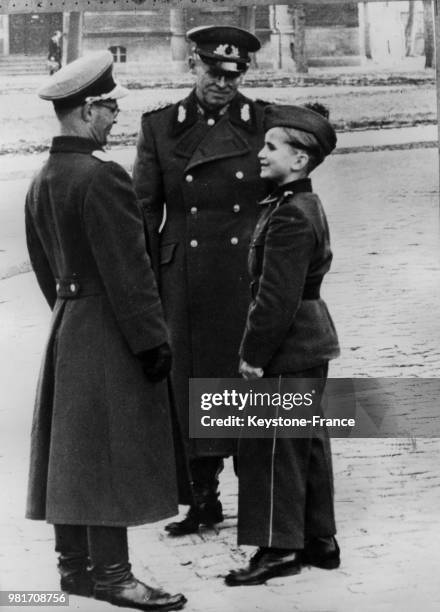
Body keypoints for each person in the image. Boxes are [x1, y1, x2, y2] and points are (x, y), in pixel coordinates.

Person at [25, 51, 186, 611]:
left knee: (70, 453)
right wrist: (152, 340)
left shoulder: (44, 177)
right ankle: (115, 578)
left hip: (68, 326)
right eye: (111, 106)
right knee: (108, 456)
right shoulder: (102, 175)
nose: (117, 116)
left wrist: (74, 315)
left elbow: (46, 269)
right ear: (88, 109)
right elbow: (130, 269)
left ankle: (74, 572)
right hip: (110, 330)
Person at [133, 25, 269, 536]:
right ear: (193, 66)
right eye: (214, 72)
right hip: (183, 279)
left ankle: (259, 499)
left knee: (243, 383)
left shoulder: (264, 123)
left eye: (234, 75)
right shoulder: (162, 127)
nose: (224, 83)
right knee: (189, 386)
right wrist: (144, 284)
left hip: (242, 275)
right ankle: (202, 499)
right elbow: (144, 210)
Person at [225, 104, 341, 586]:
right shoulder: (295, 203)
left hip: (288, 346)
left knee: (272, 448)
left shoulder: (291, 215)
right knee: (305, 444)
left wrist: (253, 355)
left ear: (299, 160)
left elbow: (275, 298)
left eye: (271, 147)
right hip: (309, 342)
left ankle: (276, 548)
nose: (260, 153)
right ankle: (319, 540)